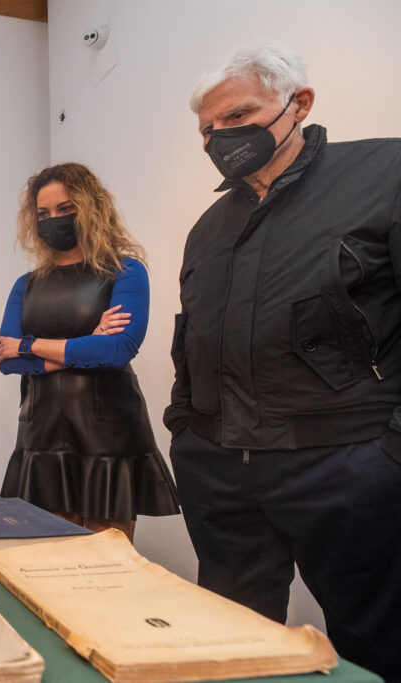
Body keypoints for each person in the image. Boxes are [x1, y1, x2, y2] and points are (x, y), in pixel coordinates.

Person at [166, 42, 401, 680]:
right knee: (235, 645)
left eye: (239, 116)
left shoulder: (385, 172)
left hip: (346, 466)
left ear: (298, 104)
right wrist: (185, 430)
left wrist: (389, 456)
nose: (222, 137)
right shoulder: (210, 226)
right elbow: (190, 338)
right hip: (221, 471)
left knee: (374, 642)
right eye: (209, 130)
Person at [0, 163, 179, 541]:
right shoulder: (26, 285)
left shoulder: (125, 271)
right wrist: (84, 342)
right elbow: (6, 360)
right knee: (50, 556)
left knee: (108, 563)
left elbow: (117, 348)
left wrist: (30, 345)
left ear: (90, 207)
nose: (52, 220)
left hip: (107, 432)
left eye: (64, 209)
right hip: (41, 430)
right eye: (42, 214)